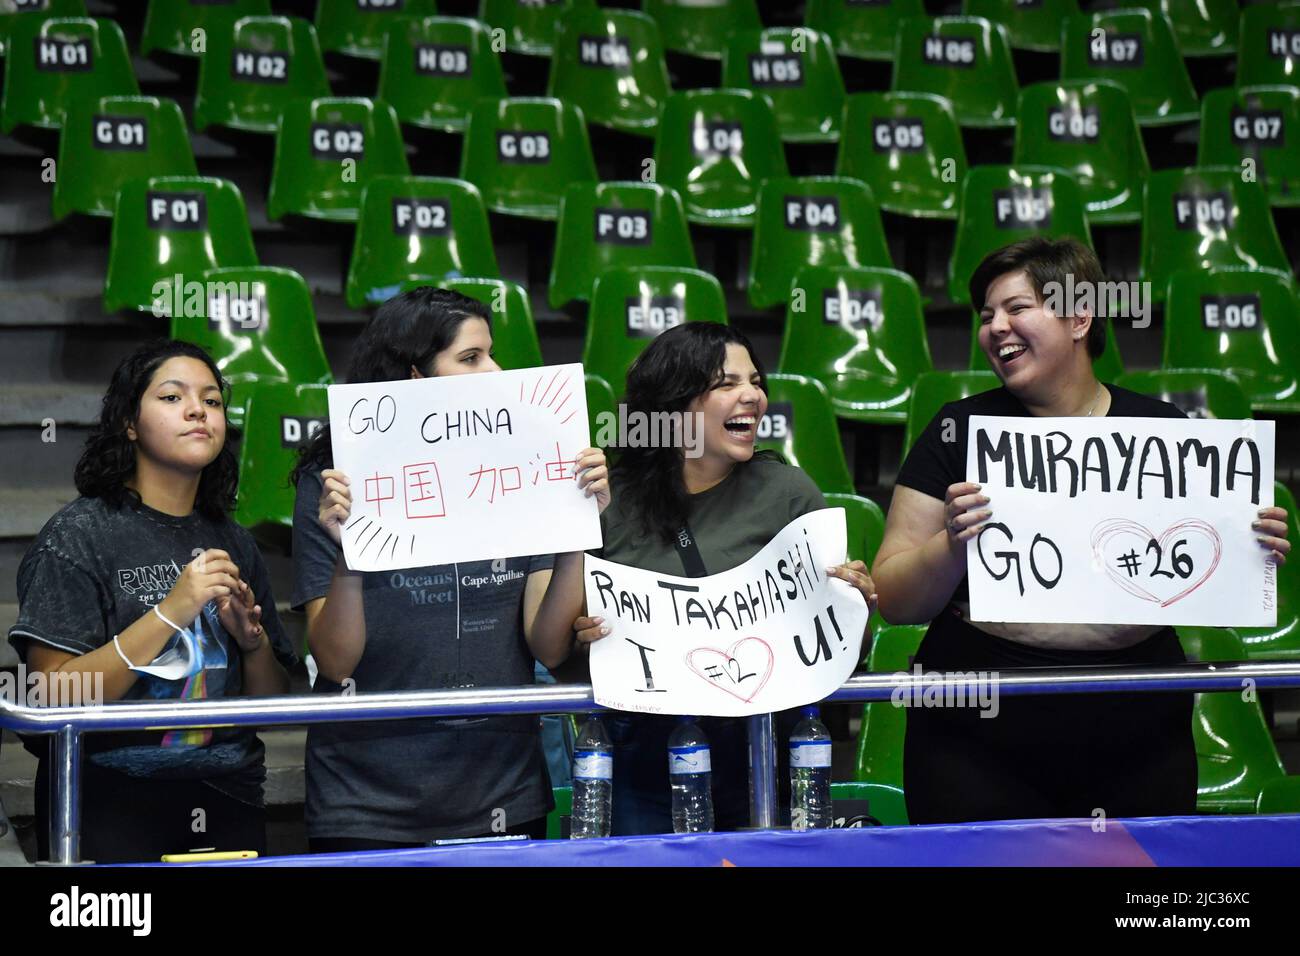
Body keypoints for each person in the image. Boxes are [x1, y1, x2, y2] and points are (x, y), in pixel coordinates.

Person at [872, 237, 1292, 824]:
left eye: (1016, 308)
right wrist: (951, 543)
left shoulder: (1165, 430)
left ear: (1078, 316)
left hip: (1135, 722)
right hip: (975, 724)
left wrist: (1253, 551)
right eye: (986, 315)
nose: (996, 327)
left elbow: (1208, 579)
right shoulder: (956, 430)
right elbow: (892, 599)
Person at [291, 286, 608, 850]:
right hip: (363, 799)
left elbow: (549, 646)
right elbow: (336, 663)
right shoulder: (334, 484)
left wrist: (577, 530)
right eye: (470, 358)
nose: (495, 370)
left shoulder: (531, 467)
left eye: (491, 353)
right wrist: (349, 552)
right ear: (416, 381)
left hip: (502, 793)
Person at [573, 323, 877, 835]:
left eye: (756, 381)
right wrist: (586, 638)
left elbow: (841, 651)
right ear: (674, 403)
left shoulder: (788, 491)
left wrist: (854, 608)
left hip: (761, 747)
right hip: (643, 748)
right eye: (726, 383)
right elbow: (560, 650)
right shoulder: (609, 499)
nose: (753, 396)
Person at [8, 340, 296, 863]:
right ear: (129, 424)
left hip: (227, 794)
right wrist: (170, 612)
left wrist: (252, 645)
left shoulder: (235, 541)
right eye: (172, 397)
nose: (197, 411)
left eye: (211, 401)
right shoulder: (78, 536)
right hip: (107, 802)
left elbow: (270, 707)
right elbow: (50, 696)